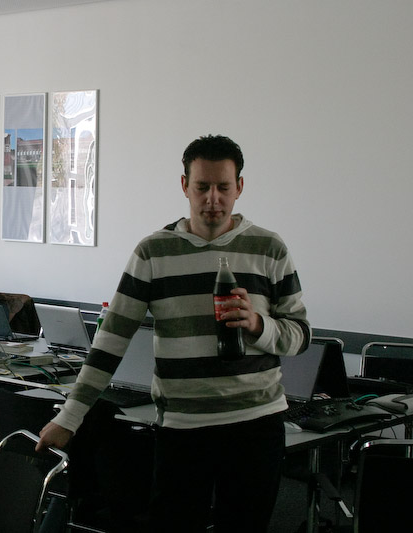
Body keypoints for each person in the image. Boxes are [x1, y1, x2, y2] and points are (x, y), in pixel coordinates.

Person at [36, 135, 311, 533]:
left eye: (223, 187)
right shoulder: (153, 253)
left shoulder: (269, 248)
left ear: (240, 187)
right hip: (183, 428)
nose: (213, 199)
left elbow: (300, 334)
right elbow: (110, 341)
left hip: (255, 425)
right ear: (184, 186)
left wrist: (258, 325)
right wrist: (71, 416)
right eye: (202, 187)